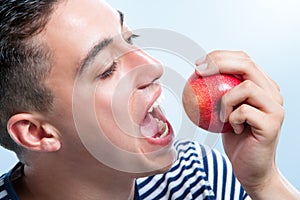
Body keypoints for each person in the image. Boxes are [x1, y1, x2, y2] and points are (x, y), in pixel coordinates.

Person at [0, 0, 299, 199]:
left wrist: (264, 184)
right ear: (37, 133)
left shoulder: (197, 176)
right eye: (107, 69)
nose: (153, 66)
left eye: (129, 40)